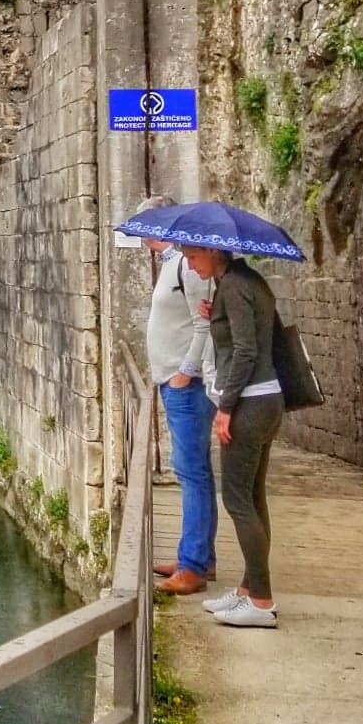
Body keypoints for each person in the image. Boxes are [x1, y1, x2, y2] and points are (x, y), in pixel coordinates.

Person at [181, 243, 284, 629]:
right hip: (266, 400)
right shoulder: (245, 281)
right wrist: (217, 319)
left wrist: (225, 407)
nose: (189, 265)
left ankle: (260, 600)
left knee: (238, 501)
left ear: (212, 251)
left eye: (193, 257)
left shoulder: (235, 286)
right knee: (253, 498)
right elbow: (250, 330)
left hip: (249, 404)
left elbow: (245, 351)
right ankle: (248, 588)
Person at [135, 196, 217, 596]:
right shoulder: (174, 263)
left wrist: (186, 373)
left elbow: (204, 323)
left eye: (146, 221)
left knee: (192, 471)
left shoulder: (189, 266)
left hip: (188, 386)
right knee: (191, 471)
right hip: (173, 381)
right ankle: (196, 555)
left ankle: (194, 565)